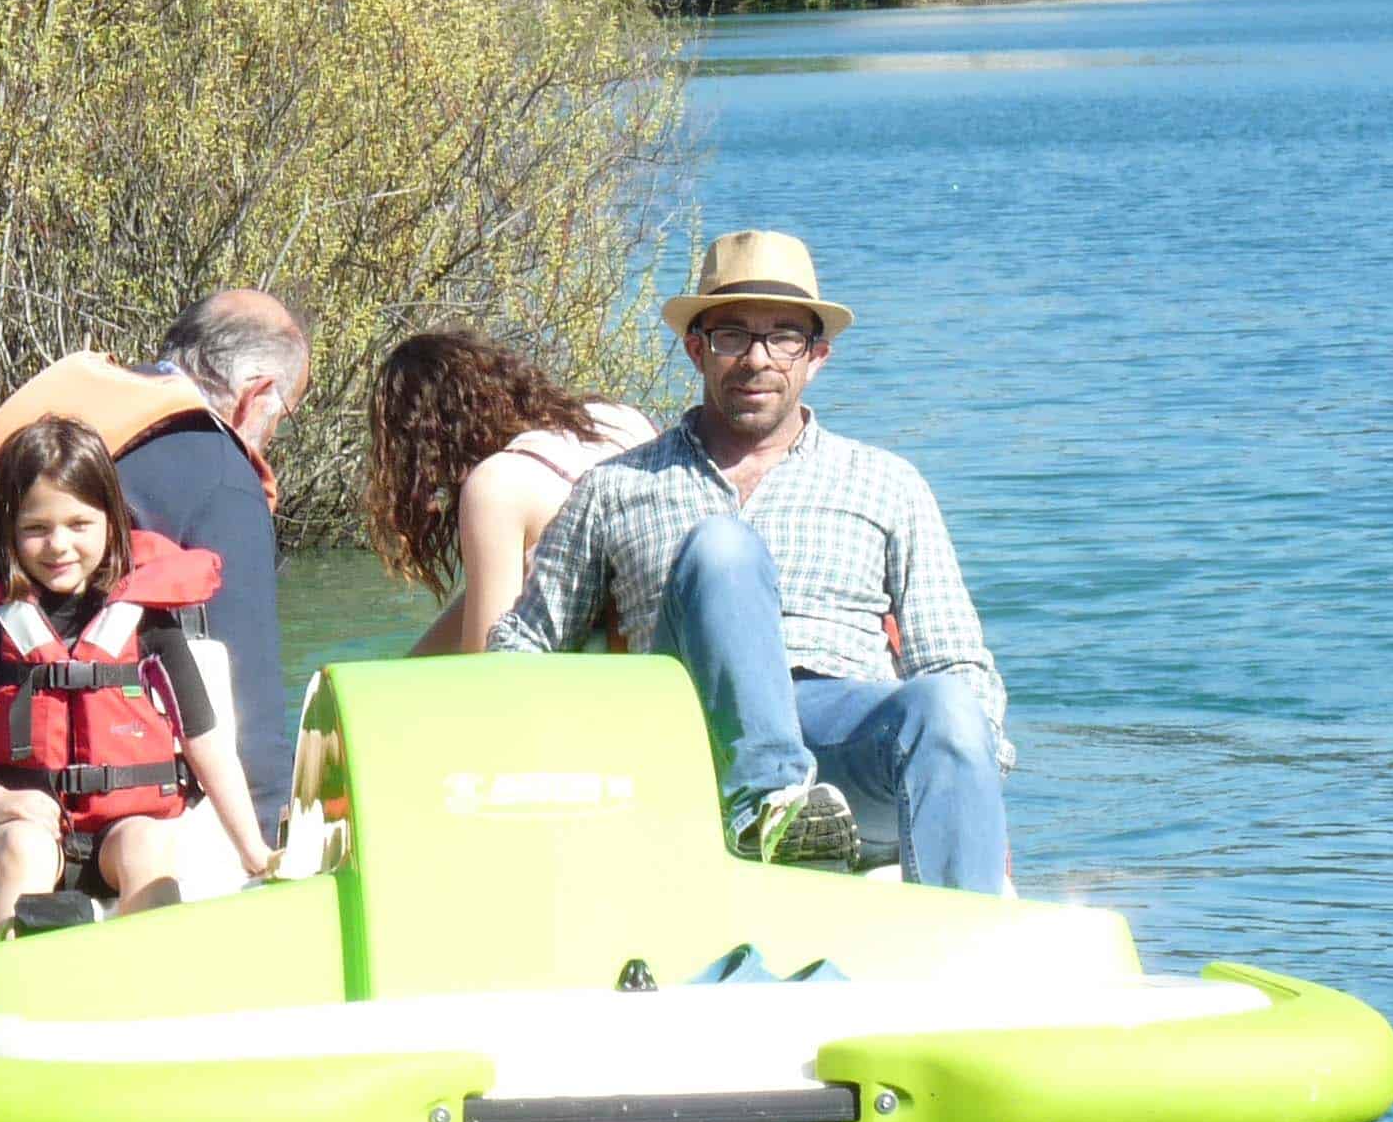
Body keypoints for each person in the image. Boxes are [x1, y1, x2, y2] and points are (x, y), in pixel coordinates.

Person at [488, 229, 1011, 893]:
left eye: (784, 337)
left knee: (946, 703)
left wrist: (975, 779)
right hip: (686, 746)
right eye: (733, 336)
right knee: (722, 550)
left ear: (816, 356)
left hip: (841, 743)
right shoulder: (616, 488)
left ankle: (971, 952)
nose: (758, 359)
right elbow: (523, 642)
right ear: (696, 349)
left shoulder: (887, 484)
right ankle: (771, 805)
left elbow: (956, 662)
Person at [0, 289, 314, 834]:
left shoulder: (81, 414)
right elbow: (250, 707)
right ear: (256, 394)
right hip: (33, 804)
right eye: (283, 417)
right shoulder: (221, 475)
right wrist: (271, 839)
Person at [0, 417, 273, 930]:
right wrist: (1, 802)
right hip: (8, 827)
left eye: (79, 525)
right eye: (36, 529)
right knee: (26, 849)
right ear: (7, 532)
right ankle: (17, 982)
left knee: (147, 844)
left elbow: (206, 743)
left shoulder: (147, 621)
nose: (59, 545)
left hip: (116, 832)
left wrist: (254, 851)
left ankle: (156, 984)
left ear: (111, 522)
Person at [362, 328, 658, 655]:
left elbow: (484, 667)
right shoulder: (618, 418)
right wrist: (408, 668)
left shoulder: (496, 485)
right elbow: (492, 592)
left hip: (622, 677)